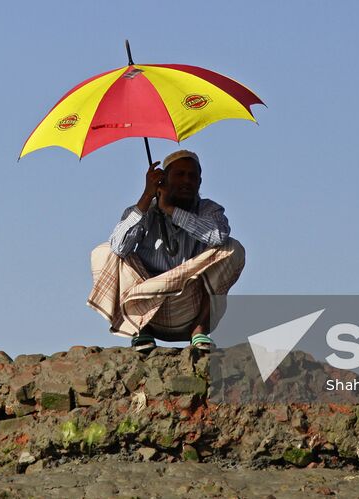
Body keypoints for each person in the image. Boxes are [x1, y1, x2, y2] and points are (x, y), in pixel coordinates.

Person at [86, 149, 245, 350]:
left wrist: (171, 210)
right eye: (179, 175)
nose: (186, 181)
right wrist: (147, 197)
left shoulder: (210, 210)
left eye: (192, 176)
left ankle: (200, 330)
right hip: (145, 307)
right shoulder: (145, 210)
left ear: (200, 182)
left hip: (188, 306)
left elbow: (219, 236)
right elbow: (118, 247)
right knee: (105, 252)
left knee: (232, 248)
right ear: (163, 180)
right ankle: (142, 331)